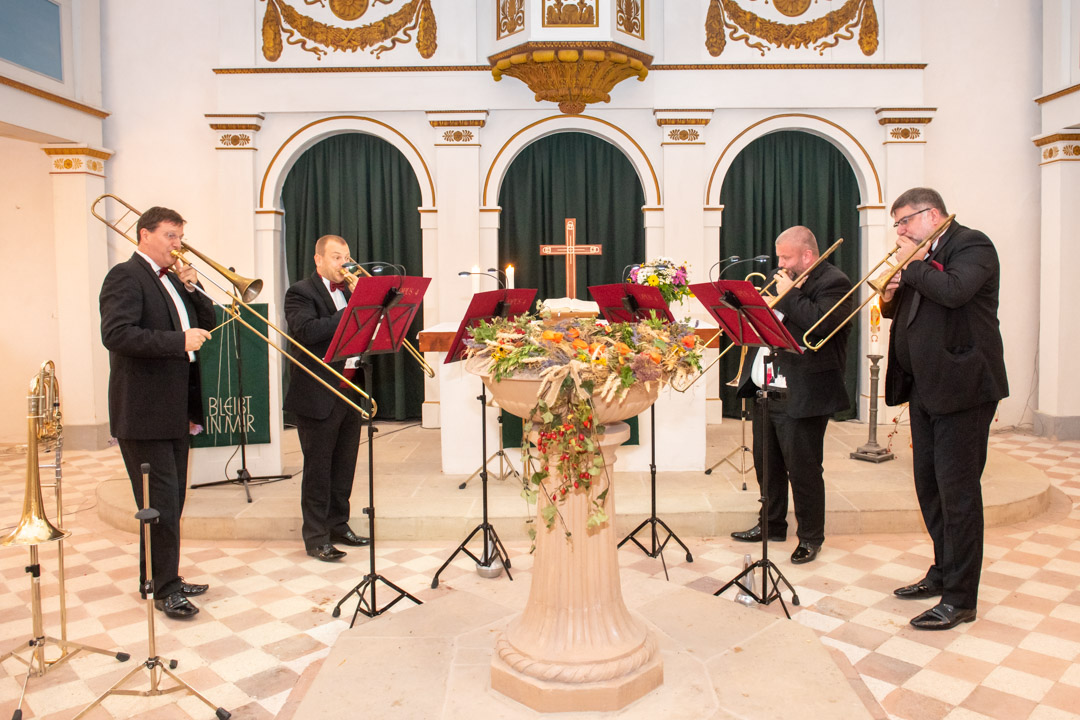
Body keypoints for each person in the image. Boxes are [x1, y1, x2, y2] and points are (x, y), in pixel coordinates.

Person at [880, 188, 1008, 630]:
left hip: (964, 388)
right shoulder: (923, 257)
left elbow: (954, 292)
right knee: (930, 488)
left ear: (932, 215)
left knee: (959, 495)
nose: (900, 231)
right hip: (926, 387)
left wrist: (911, 266)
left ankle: (961, 598)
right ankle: (943, 570)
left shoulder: (972, 244)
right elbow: (907, 308)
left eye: (905, 221)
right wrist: (893, 289)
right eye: (896, 224)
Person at [99, 206, 215, 620]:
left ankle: (161, 576)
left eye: (179, 236)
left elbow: (210, 323)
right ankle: (164, 589)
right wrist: (177, 340)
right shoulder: (125, 277)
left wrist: (195, 289)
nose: (177, 245)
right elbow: (116, 334)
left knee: (173, 499)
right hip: (144, 411)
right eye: (170, 236)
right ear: (144, 235)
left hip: (174, 409)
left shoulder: (171, 281)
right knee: (160, 503)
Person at [731, 226, 853, 564]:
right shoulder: (781, 276)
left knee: (804, 469)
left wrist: (788, 295)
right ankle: (771, 524)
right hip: (766, 387)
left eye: (786, 257)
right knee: (766, 465)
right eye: (779, 256)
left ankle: (811, 537)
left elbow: (819, 323)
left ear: (807, 256)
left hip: (805, 390)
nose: (779, 263)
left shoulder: (834, 282)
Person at [284, 234, 370, 562]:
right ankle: (316, 536)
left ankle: (338, 524)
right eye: (336, 257)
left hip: (350, 387)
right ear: (318, 260)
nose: (344, 264)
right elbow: (307, 331)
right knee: (318, 469)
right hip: (318, 392)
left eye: (346, 257)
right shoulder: (300, 292)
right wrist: (353, 310)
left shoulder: (350, 291)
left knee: (344, 465)